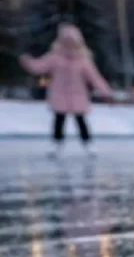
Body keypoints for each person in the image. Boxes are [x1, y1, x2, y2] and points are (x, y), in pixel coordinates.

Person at [19, 23, 112, 159]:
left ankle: (88, 144)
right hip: (59, 95)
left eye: (72, 42)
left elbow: (94, 77)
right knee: (59, 120)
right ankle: (56, 145)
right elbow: (40, 66)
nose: (69, 45)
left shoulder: (83, 60)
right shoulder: (54, 57)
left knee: (81, 121)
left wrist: (105, 90)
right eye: (66, 42)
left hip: (78, 96)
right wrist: (28, 62)